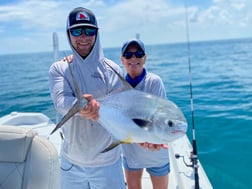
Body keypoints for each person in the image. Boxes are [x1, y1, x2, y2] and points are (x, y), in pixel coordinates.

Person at [49, 7, 126, 189]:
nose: (83, 37)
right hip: (71, 162)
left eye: (89, 30)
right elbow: (61, 102)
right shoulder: (59, 68)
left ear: (97, 34)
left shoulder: (112, 69)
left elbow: (119, 112)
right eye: (76, 31)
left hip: (107, 162)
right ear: (69, 34)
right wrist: (83, 107)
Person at [120, 38, 170, 189]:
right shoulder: (118, 83)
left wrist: (149, 137)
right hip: (131, 151)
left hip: (156, 148)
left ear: (145, 58)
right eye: (128, 55)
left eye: (138, 54)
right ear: (122, 60)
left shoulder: (154, 81)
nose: (133, 58)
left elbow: (159, 116)